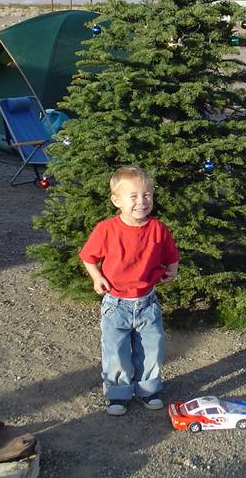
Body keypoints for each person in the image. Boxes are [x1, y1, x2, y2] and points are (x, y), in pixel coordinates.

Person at [80, 166, 180, 415]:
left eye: (147, 195)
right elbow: (88, 257)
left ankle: (149, 389)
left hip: (147, 303)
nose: (141, 201)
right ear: (116, 200)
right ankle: (118, 393)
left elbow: (171, 255)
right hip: (116, 304)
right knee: (116, 351)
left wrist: (173, 270)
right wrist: (97, 277)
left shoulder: (158, 229)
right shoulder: (106, 229)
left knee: (151, 349)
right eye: (133, 196)